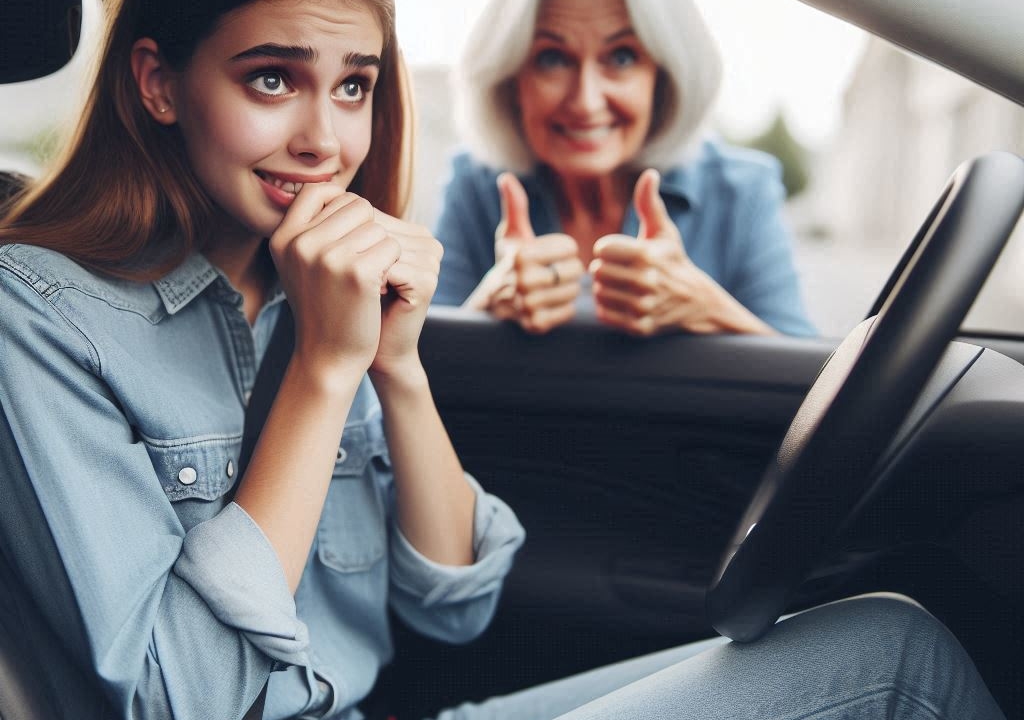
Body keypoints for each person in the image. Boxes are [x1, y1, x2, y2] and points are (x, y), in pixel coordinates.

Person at [0, 1, 1005, 719]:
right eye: (273, 77)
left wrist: (395, 366)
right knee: (898, 669)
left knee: (894, 634)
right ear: (157, 83)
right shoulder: (39, 316)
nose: (323, 138)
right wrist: (321, 373)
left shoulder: (312, 296)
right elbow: (194, 702)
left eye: (352, 85)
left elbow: (453, 604)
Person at [431, 0, 816, 338]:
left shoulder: (743, 190)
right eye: (552, 58)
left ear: (662, 79)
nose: (586, 101)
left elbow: (817, 395)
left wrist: (708, 310)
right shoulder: (475, 183)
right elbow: (415, 372)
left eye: (622, 57)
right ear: (512, 81)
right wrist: (488, 303)